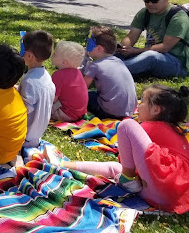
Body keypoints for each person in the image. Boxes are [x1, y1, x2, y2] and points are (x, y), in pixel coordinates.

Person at [46, 84, 189, 213]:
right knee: (116, 168)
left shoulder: (151, 127)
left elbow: (127, 154)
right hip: (165, 197)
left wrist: (128, 171)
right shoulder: (175, 133)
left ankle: (127, 179)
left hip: (161, 185)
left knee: (127, 125)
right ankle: (62, 164)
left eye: (143, 101)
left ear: (156, 110)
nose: (138, 105)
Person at [120, 0, 189, 78]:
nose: (150, 4)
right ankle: (111, 67)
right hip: (151, 53)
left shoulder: (178, 17)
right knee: (118, 53)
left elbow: (165, 47)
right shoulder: (144, 13)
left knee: (150, 57)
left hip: (177, 62)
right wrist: (123, 48)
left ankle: (110, 71)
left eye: (154, 1)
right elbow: (131, 36)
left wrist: (135, 51)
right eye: (146, 0)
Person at [84, 26, 137, 119]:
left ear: (99, 48)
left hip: (110, 112)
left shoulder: (95, 65)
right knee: (94, 94)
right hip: (129, 110)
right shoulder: (119, 61)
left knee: (85, 96)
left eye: (89, 44)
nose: (86, 47)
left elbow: (83, 88)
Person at [19, 30, 55, 147]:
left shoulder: (29, 81)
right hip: (37, 136)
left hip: (24, 138)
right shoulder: (46, 76)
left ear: (29, 56)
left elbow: (21, 111)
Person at [50, 41, 88, 122]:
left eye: (55, 54)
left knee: (39, 106)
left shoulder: (58, 75)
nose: (52, 54)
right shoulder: (78, 72)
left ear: (64, 62)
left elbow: (52, 98)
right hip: (80, 112)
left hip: (67, 114)